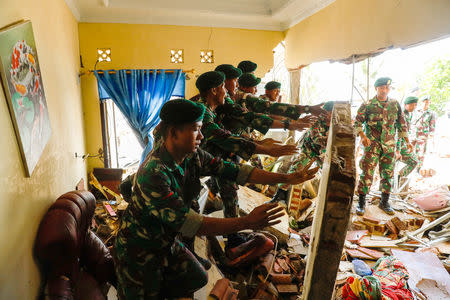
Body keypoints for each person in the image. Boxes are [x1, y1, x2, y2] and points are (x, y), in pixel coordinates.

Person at [114, 99, 319, 299]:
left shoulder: (191, 156)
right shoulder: (154, 173)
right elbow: (192, 224)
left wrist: (285, 178)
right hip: (140, 249)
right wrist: (247, 222)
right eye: (196, 129)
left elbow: (235, 170)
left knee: (196, 277)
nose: (202, 136)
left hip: (167, 240)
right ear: (174, 132)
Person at [354, 77, 412, 215]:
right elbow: (356, 123)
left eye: (387, 88)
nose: (384, 91)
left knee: (387, 174)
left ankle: (384, 202)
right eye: (381, 88)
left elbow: (401, 124)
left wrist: (407, 141)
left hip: (389, 146)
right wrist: (363, 136)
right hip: (372, 145)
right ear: (376, 89)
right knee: (367, 173)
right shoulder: (367, 105)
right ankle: (361, 203)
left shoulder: (395, 104)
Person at [270, 101, 335, 202]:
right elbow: (316, 137)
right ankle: (279, 195)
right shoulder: (317, 120)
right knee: (296, 168)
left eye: (331, 113)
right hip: (308, 148)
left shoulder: (336, 124)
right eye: (327, 112)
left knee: (329, 173)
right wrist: (327, 141)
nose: (329, 115)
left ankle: (326, 199)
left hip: (322, 152)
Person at [396, 96, 419, 184]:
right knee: (413, 161)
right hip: (397, 145)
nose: (414, 107)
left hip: (403, 144)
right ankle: (397, 178)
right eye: (412, 105)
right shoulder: (401, 115)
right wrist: (398, 150)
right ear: (405, 105)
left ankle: (399, 176)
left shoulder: (409, 114)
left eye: (415, 105)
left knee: (414, 161)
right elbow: (398, 133)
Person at [413, 95, 436, 171]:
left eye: (428, 102)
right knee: (412, 152)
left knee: (421, 153)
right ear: (421, 103)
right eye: (424, 102)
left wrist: (431, 137)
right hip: (413, 135)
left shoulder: (431, 114)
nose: (426, 104)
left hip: (423, 136)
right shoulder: (415, 111)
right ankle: (412, 168)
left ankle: (418, 169)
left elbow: (432, 126)